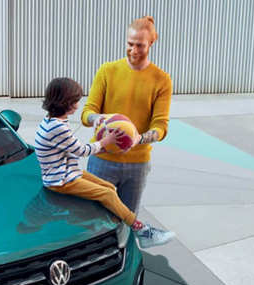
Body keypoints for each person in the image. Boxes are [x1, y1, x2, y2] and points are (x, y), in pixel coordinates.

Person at [34, 77, 174, 248]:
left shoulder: (53, 120)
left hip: (66, 171)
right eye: (76, 100)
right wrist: (107, 141)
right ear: (66, 102)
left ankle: (120, 227)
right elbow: (81, 151)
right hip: (60, 180)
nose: (78, 104)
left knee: (108, 188)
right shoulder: (58, 127)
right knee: (107, 195)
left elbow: (72, 148)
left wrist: (103, 144)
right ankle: (142, 230)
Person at [81, 15, 173, 218]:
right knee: (91, 218)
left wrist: (139, 138)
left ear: (151, 42)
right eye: (130, 44)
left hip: (137, 164)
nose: (134, 51)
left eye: (140, 45)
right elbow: (87, 112)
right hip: (101, 158)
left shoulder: (162, 80)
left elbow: (161, 126)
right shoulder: (107, 71)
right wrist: (96, 119)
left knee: (126, 220)